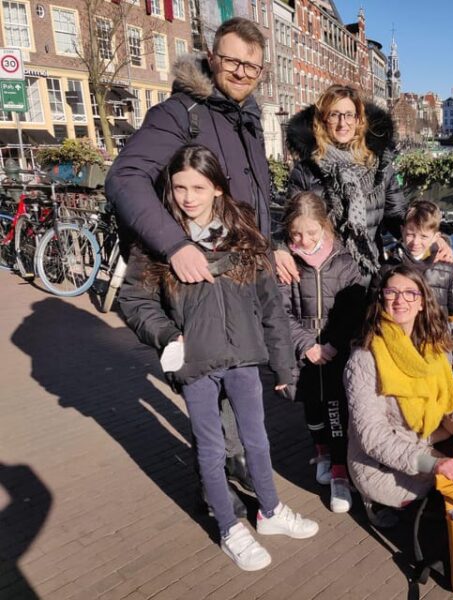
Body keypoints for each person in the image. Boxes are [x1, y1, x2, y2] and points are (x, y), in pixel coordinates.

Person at [118, 145, 319, 571]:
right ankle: (229, 527)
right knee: (210, 448)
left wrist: (284, 367)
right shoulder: (158, 240)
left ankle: (270, 510)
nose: (188, 197)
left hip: (244, 355)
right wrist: (170, 338)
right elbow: (135, 300)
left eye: (198, 187)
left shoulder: (244, 235)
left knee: (257, 439)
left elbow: (270, 308)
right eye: (179, 187)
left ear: (217, 190)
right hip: (196, 360)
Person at [106, 17, 276, 504]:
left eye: (252, 65)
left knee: (239, 389)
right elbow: (125, 177)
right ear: (212, 57)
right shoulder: (182, 113)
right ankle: (222, 502)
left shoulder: (246, 118)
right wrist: (173, 245)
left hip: (239, 278)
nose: (241, 72)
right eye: (232, 60)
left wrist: (271, 247)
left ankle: (242, 481)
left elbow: (252, 198)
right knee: (209, 395)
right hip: (196, 281)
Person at [345, 265, 453, 526]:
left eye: (409, 293)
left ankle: (439, 481)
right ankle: (377, 499)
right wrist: (435, 464)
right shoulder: (365, 359)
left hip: (425, 436)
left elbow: (452, 404)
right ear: (382, 299)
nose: (400, 300)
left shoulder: (434, 348)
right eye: (391, 292)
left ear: (423, 303)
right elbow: (372, 437)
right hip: (384, 460)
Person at [280, 192, 365, 514]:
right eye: (296, 235)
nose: (304, 241)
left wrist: (332, 344)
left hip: (334, 351)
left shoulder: (344, 262)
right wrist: (307, 345)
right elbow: (278, 310)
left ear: (325, 227)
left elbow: (353, 310)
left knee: (335, 409)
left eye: (312, 233)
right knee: (311, 407)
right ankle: (321, 451)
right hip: (304, 352)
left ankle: (340, 471)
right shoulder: (286, 263)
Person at [276, 84, 407, 283]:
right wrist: (281, 249)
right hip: (323, 277)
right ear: (323, 120)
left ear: (358, 119)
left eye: (348, 115)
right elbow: (291, 222)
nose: (342, 123)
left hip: (367, 274)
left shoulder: (379, 166)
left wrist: (432, 238)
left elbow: (396, 217)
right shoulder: (306, 170)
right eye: (334, 115)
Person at [374, 200, 453, 370]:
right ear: (402, 231)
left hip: (436, 343)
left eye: (424, 236)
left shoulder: (448, 269)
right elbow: (375, 307)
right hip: (397, 344)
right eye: (410, 234)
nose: (415, 242)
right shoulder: (388, 267)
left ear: (436, 237)